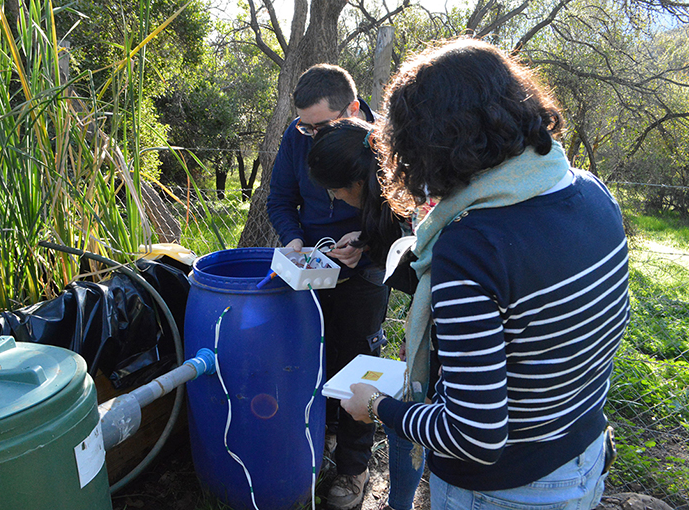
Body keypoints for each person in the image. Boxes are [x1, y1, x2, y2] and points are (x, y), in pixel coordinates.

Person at [341, 38, 629, 510]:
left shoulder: (470, 250)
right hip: (584, 453)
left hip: (506, 490)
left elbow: (474, 435)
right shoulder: (593, 194)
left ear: (427, 142)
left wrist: (377, 406)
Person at [266, 64, 388, 510]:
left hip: (366, 268)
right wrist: (294, 240)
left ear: (354, 110)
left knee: (357, 360)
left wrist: (368, 243)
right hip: (312, 265)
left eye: (323, 126)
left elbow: (402, 215)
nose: (311, 135)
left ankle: (354, 468)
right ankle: (315, 444)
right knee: (309, 357)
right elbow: (280, 198)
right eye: (305, 125)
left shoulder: (384, 145)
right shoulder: (296, 136)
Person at [308, 117, 425, 510]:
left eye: (335, 192)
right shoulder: (389, 193)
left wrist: (376, 404)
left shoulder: (418, 202)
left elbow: (423, 268)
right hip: (428, 308)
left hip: (439, 316)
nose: (336, 201)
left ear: (358, 184)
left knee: (414, 402)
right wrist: (364, 242)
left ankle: (398, 500)